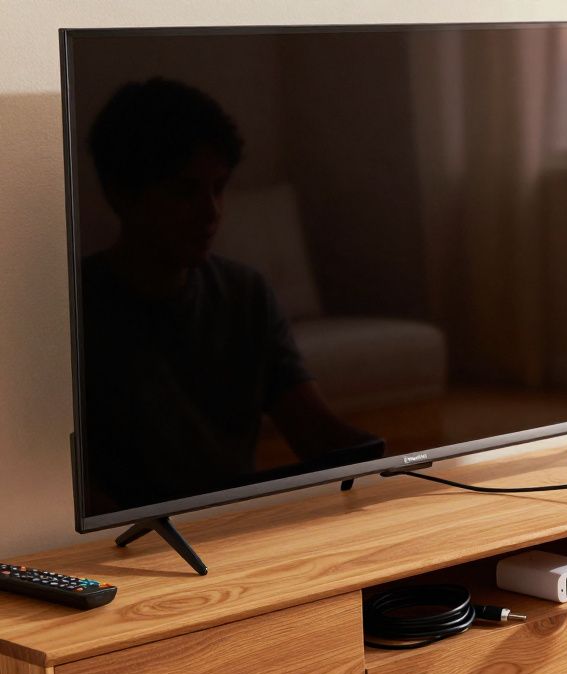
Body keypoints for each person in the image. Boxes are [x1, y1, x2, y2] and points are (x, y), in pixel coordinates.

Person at [81, 77, 380, 515]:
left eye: (219, 187)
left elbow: (314, 432)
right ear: (122, 195)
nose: (212, 212)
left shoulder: (246, 294)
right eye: (185, 191)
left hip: (237, 531)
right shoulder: (76, 312)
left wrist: (407, 470)